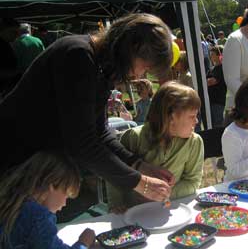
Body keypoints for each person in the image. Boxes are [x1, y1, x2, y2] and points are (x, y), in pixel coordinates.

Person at [0, 13, 175, 203]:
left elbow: (100, 132)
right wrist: (140, 183)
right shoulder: (78, 55)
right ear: (132, 48)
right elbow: (83, 143)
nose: (138, 75)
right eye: (144, 67)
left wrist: (139, 165)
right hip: (11, 162)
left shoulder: (98, 67)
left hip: (28, 166)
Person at [0, 151, 96, 249]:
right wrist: (84, 242)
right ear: (52, 185)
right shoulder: (37, 216)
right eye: (67, 194)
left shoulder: (9, 200)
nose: (65, 204)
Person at [107, 82, 204, 211]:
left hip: (170, 210)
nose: (196, 121)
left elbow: (193, 182)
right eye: (192, 116)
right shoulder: (134, 137)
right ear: (171, 117)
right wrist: (116, 203)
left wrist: (162, 193)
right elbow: (114, 171)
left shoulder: (194, 143)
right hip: (133, 211)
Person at [206, 45, 227, 127]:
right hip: (211, 100)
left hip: (218, 101)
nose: (210, 56)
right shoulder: (212, 68)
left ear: (219, 55)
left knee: (218, 123)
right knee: (212, 124)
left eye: (212, 55)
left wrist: (204, 82)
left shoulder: (222, 68)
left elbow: (212, 81)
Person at [0, 18, 20, 98]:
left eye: (17, 32)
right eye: (13, 32)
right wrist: (15, 73)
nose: (17, 35)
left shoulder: (7, 44)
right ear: (3, 30)